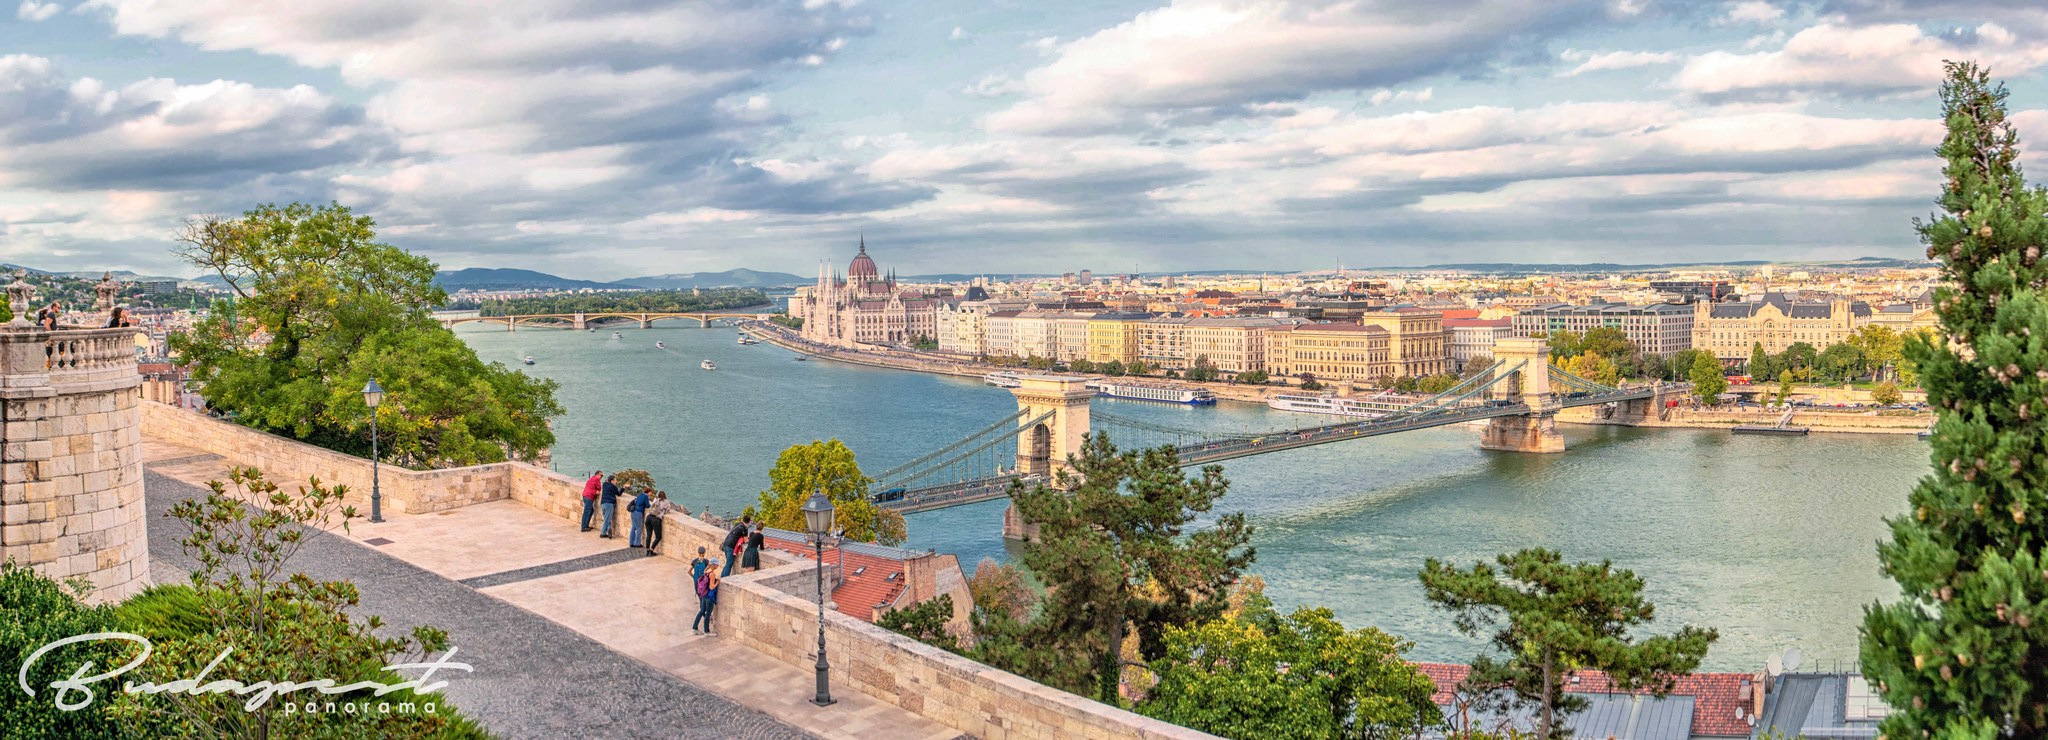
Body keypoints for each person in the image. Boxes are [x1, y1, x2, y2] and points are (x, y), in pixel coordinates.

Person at [693, 567, 720, 636]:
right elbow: (711, 587)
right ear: (715, 565)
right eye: (717, 564)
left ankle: (695, 628)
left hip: (704, 595)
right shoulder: (712, 574)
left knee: (702, 611)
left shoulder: (706, 571)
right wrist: (717, 582)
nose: (718, 566)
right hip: (709, 596)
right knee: (708, 613)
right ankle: (706, 631)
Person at [644, 492, 671, 556]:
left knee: (649, 535)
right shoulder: (666, 502)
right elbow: (668, 510)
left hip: (648, 517)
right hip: (656, 519)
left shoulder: (655, 499)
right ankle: (651, 549)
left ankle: (647, 550)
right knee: (658, 537)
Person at [599, 474, 622, 539]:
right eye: (615, 480)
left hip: (603, 503)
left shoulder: (604, 485)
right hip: (609, 504)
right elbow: (619, 494)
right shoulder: (613, 487)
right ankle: (602, 533)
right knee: (607, 519)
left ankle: (609, 529)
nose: (616, 481)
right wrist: (623, 488)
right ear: (612, 481)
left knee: (606, 518)